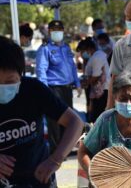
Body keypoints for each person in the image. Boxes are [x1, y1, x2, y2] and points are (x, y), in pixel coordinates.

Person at [0, 36, 83, 187]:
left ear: (21, 76)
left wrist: (55, 159)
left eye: (10, 81)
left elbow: (75, 122)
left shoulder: (33, 90)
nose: (2, 87)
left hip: (39, 177)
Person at [36, 20, 82, 154]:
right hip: (53, 88)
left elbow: (73, 67)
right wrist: (44, 91)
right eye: (54, 30)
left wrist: (77, 83)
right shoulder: (45, 49)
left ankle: (65, 149)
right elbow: (41, 71)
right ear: (49, 32)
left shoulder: (66, 48)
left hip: (67, 88)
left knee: (69, 119)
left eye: (59, 30)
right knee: (55, 121)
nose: (57, 32)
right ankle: (56, 150)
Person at [77, 37, 110, 123]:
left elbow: (96, 76)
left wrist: (85, 83)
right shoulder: (95, 57)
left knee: (98, 116)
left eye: (82, 51)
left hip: (102, 91)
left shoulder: (97, 57)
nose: (81, 54)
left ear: (88, 49)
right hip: (98, 91)